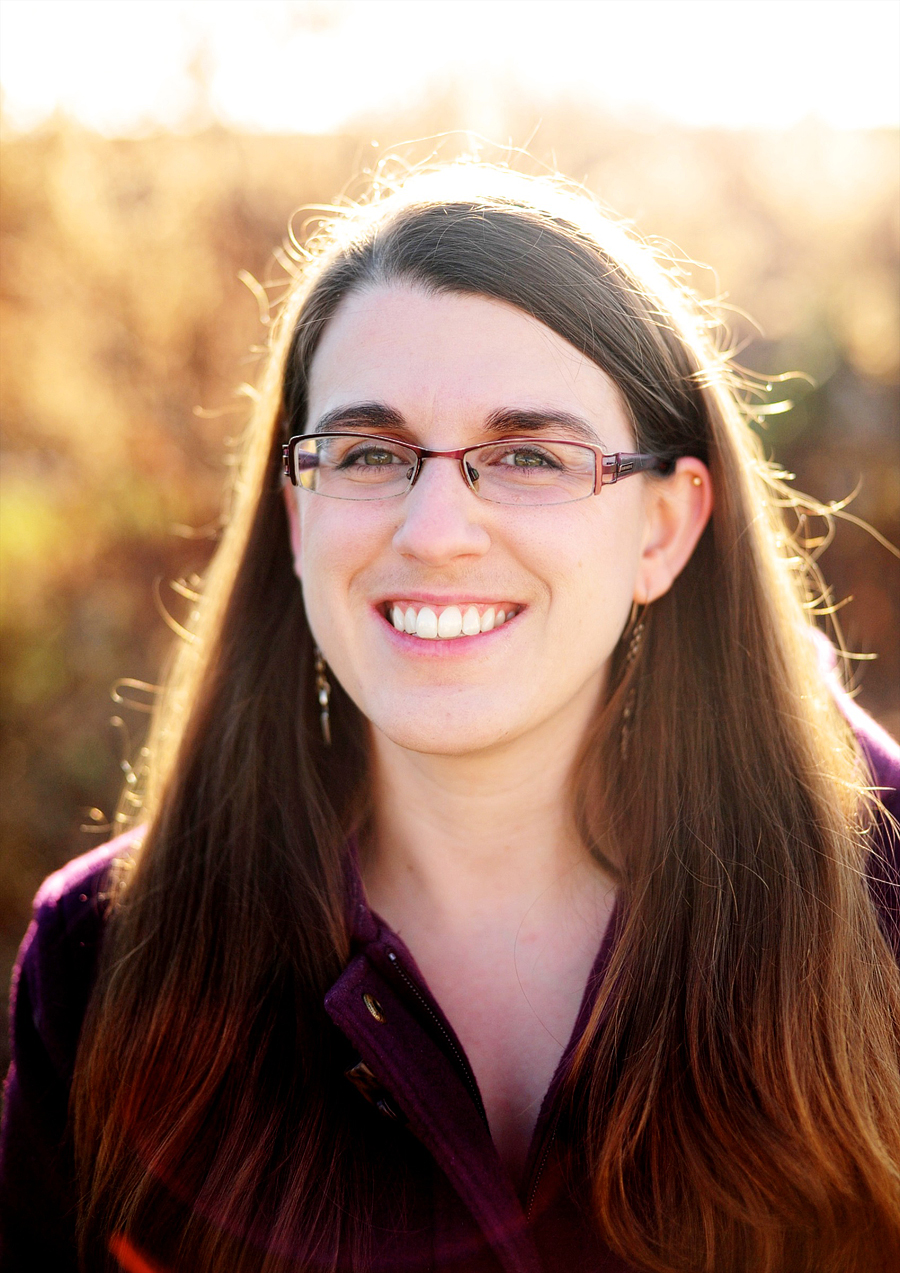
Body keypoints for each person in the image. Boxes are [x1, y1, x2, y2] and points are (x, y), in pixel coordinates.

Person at [2, 163, 899, 1273]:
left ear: (665, 528)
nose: (435, 530)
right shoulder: (106, 957)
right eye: (370, 454)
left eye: (528, 456)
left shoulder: (882, 910)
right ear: (296, 512)